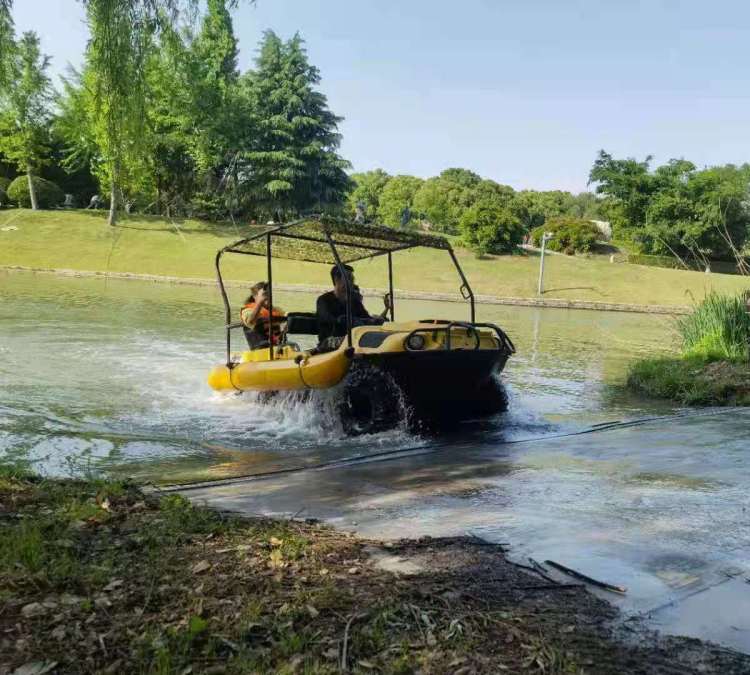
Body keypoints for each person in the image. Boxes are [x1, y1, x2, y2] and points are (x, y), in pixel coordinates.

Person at [316, 264, 390, 345]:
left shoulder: (354, 301)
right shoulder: (323, 300)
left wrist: (377, 320)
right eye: (349, 279)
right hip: (330, 341)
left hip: (354, 338)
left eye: (352, 279)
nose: (352, 282)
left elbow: (366, 318)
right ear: (337, 279)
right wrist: (348, 321)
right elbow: (330, 320)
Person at [240, 282, 285, 349]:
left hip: (278, 347)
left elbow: (287, 316)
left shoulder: (276, 310)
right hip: (260, 349)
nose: (268, 296)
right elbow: (250, 321)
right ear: (255, 296)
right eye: (265, 294)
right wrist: (260, 302)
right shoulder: (247, 310)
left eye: (269, 294)